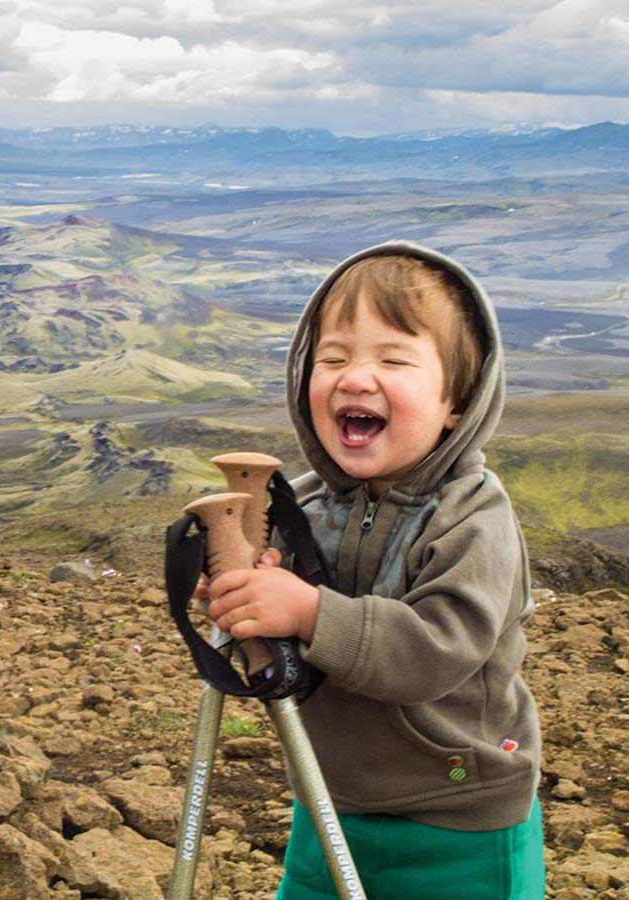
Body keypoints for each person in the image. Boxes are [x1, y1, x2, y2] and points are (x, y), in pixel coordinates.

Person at [205, 241, 545, 899]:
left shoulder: (473, 517)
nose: (355, 377)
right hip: (328, 802)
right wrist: (243, 601)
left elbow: (435, 651)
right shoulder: (299, 507)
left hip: (458, 821)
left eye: (393, 359)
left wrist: (305, 610)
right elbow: (281, 659)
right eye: (331, 358)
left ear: (458, 401)